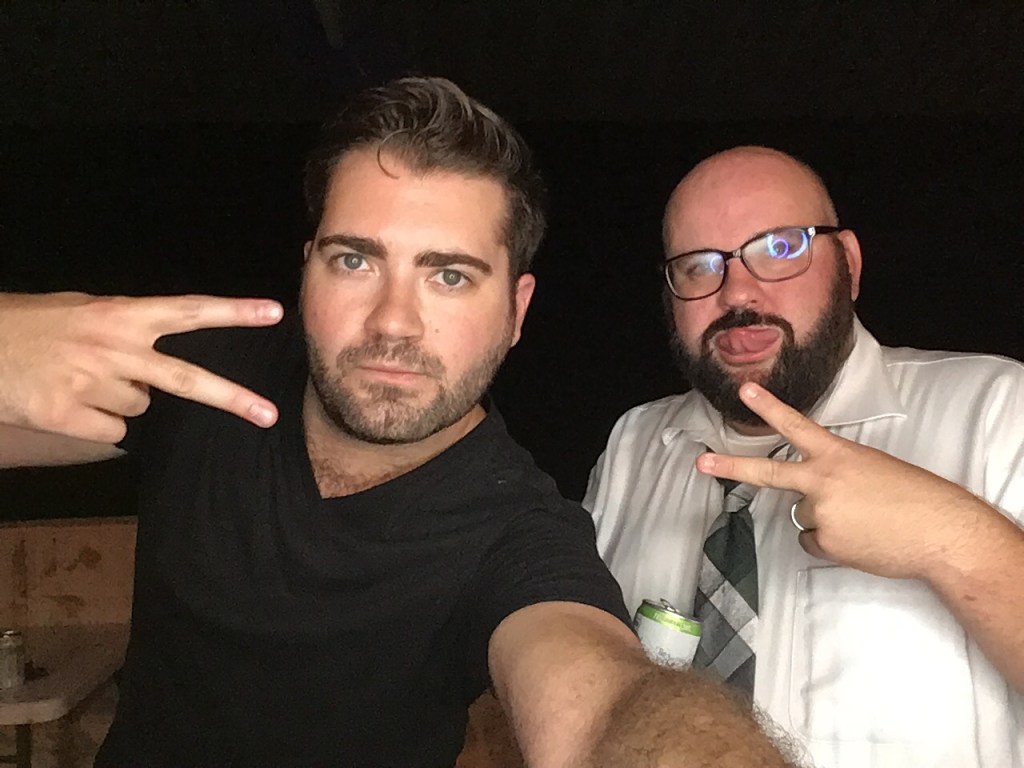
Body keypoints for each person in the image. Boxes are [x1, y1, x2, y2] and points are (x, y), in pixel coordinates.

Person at [0, 81, 798, 767]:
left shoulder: (519, 531)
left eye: (449, 276)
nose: (393, 321)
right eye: (354, 261)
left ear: (516, 312)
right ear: (308, 269)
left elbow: (604, 704)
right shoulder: (205, 376)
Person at [583, 145, 1024, 768]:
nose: (737, 292)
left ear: (849, 264)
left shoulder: (998, 409)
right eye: (699, 266)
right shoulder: (634, 444)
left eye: (781, 248)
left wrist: (950, 537)